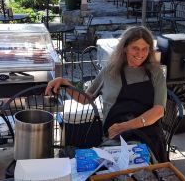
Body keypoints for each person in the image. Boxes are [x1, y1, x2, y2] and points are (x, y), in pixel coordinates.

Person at [46, 26, 168, 162]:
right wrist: (64, 83)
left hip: (148, 135)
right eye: (135, 48)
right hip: (114, 135)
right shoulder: (109, 72)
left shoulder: (155, 73)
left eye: (145, 48)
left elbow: (158, 111)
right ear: (125, 48)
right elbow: (86, 99)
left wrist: (125, 126)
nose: (140, 53)